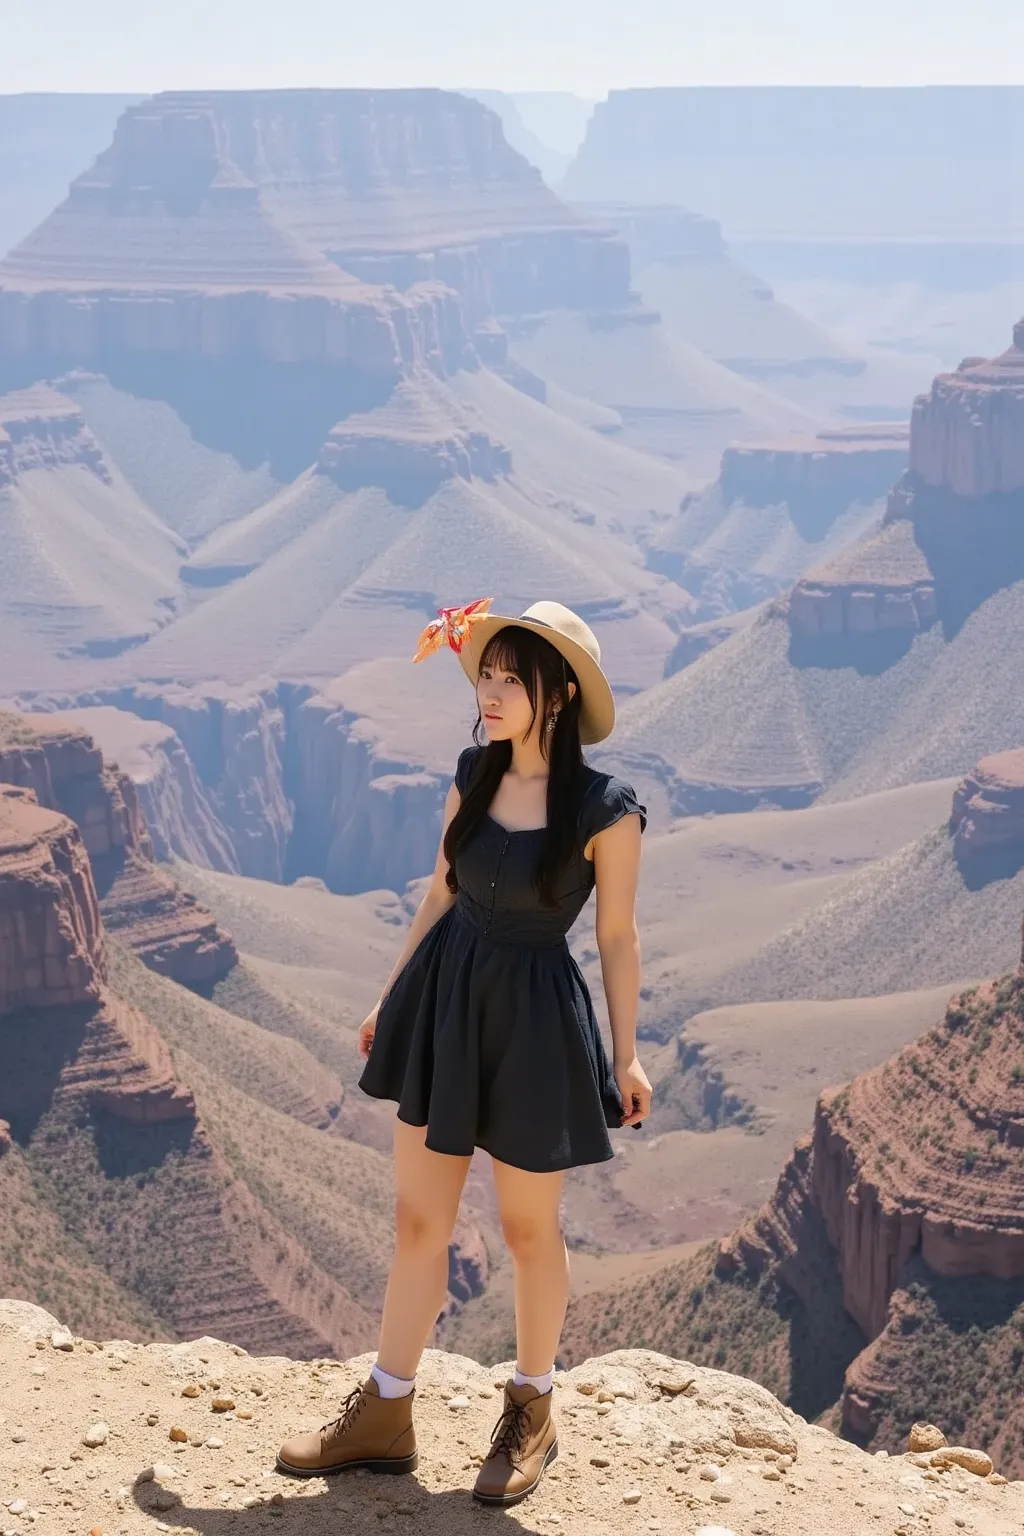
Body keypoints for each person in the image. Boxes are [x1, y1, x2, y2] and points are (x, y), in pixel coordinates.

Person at [277, 599, 652, 1506]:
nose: (488, 692)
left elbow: (617, 938)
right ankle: (385, 1411)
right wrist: (390, 990)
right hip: (447, 1001)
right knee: (419, 1222)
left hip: (533, 1023)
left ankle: (532, 1407)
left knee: (528, 1230)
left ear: (557, 694)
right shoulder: (473, 774)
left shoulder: (607, 810)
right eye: (484, 675)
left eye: (509, 679)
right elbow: (439, 892)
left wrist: (628, 1055)